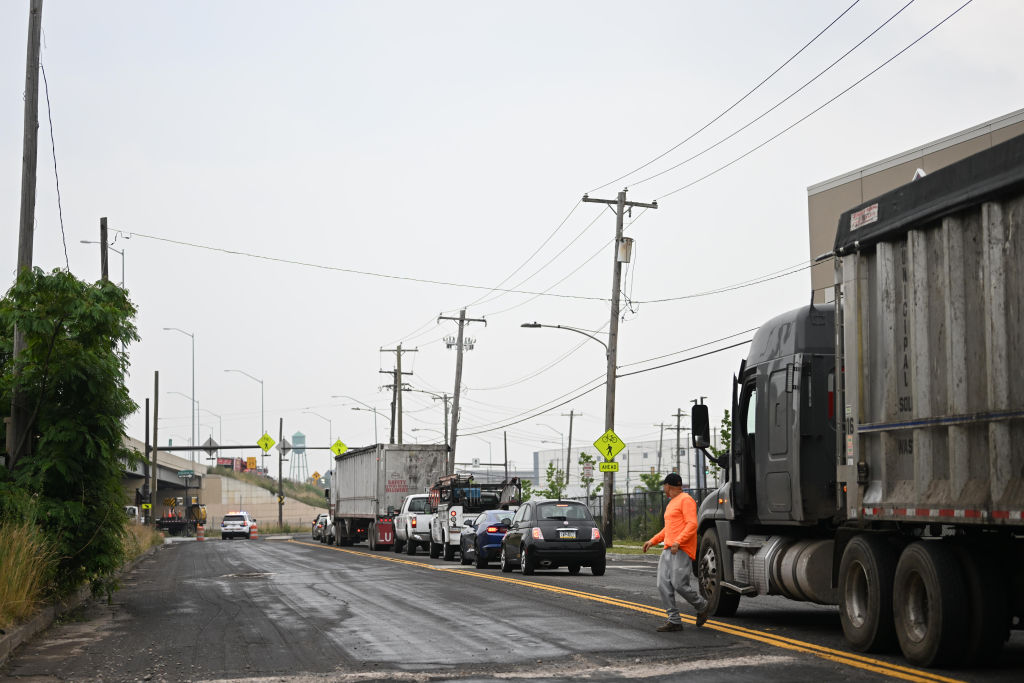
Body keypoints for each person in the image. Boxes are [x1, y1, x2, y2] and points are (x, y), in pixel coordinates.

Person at [642, 472, 709, 632]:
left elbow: (692, 524)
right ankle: (674, 621)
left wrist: (679, 541)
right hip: (668, 549)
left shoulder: (686, 500)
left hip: (681, 549)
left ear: (668, 486)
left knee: (679, 584)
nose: (664, 489)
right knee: (662, 585)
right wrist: (653, 540)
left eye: (664, 486)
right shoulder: (672, 503)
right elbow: (668, 528)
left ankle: (702, 606)